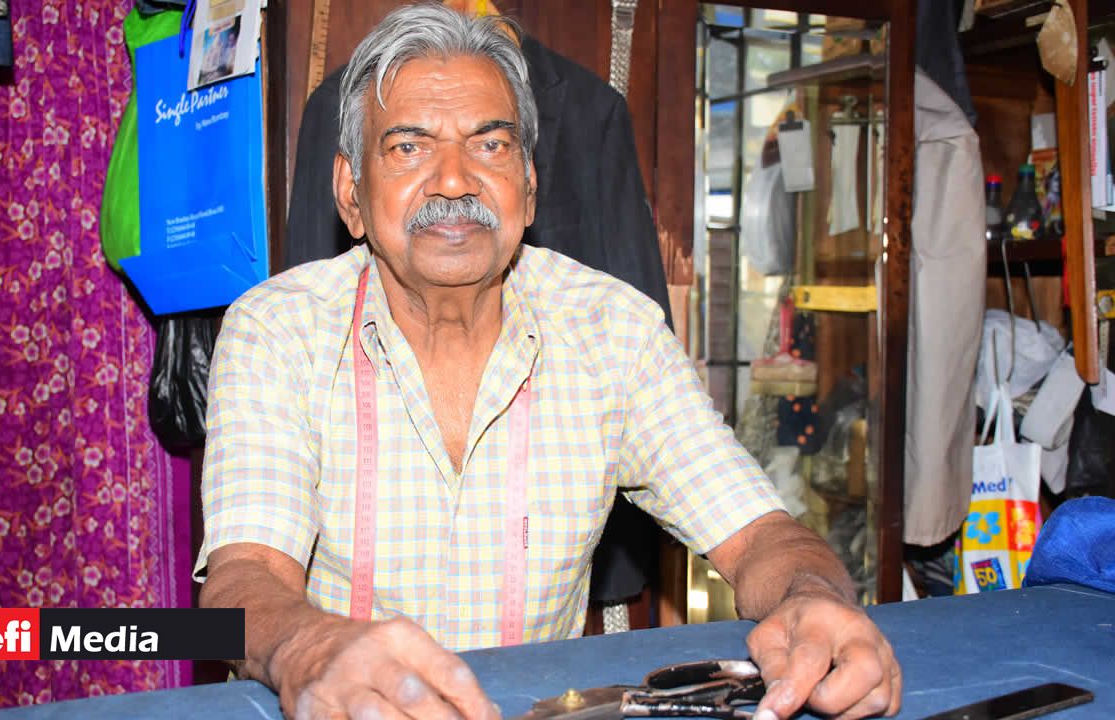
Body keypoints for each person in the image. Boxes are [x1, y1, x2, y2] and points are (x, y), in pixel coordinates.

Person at [197, 4, 902, 720]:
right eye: (409, 148)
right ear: (351, 193)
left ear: (529, 187)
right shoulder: (277, 331)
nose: (453, 181)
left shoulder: (611, 332)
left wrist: (812, 598)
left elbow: (759, 535)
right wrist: (313, 650)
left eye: (490, 146)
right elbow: (238, 581)